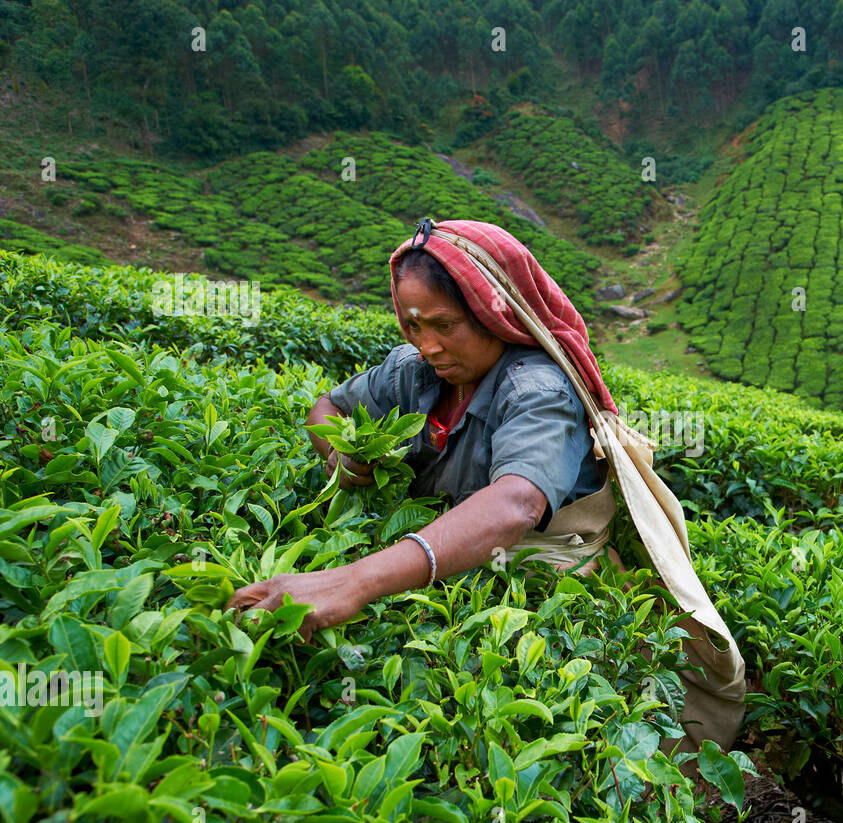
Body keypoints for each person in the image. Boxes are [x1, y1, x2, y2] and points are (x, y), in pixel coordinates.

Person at [226, 218, 745, 754]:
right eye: (413, 324)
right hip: (452, 566)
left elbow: (515, 504)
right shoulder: (415, 371)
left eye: (445, 325)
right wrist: (338, 454)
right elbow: (328, 406)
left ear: (493, 311)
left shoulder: (537, 390)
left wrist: (354, 582)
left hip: (547, 585)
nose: (427, 344)